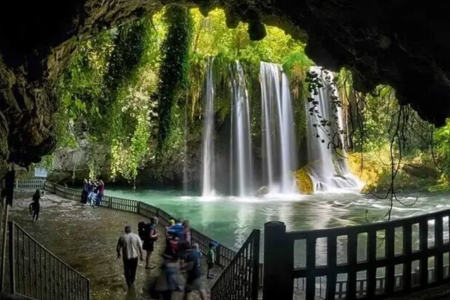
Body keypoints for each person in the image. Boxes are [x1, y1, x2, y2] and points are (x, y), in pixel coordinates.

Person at [116, 225, 144, 289]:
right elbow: (140, 247)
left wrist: (118, 254)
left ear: (125, 230)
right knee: (133, 270)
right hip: (134, 257)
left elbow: (118, 248)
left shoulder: (122, 237)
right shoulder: (136, 236)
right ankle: (132, 282)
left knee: (126, 271)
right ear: (131, 230)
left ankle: (129, 284)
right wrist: (141, 256)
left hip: (126, 258)